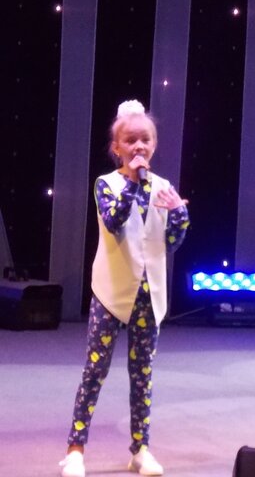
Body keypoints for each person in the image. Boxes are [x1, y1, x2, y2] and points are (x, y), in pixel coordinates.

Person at [59, 100, 190, 477]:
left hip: (149, 296)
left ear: (154, 144)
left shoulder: (163, 187)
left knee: (142, 376)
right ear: (117, 147)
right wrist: (133, 182)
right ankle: (75, 450)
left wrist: (179, 214)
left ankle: (140, 449)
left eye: (145, 139)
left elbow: (172, 242)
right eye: (130, 140)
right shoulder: (107, 184)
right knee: (94, 371)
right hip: (111, 294)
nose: (138, 146)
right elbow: (114, 222)